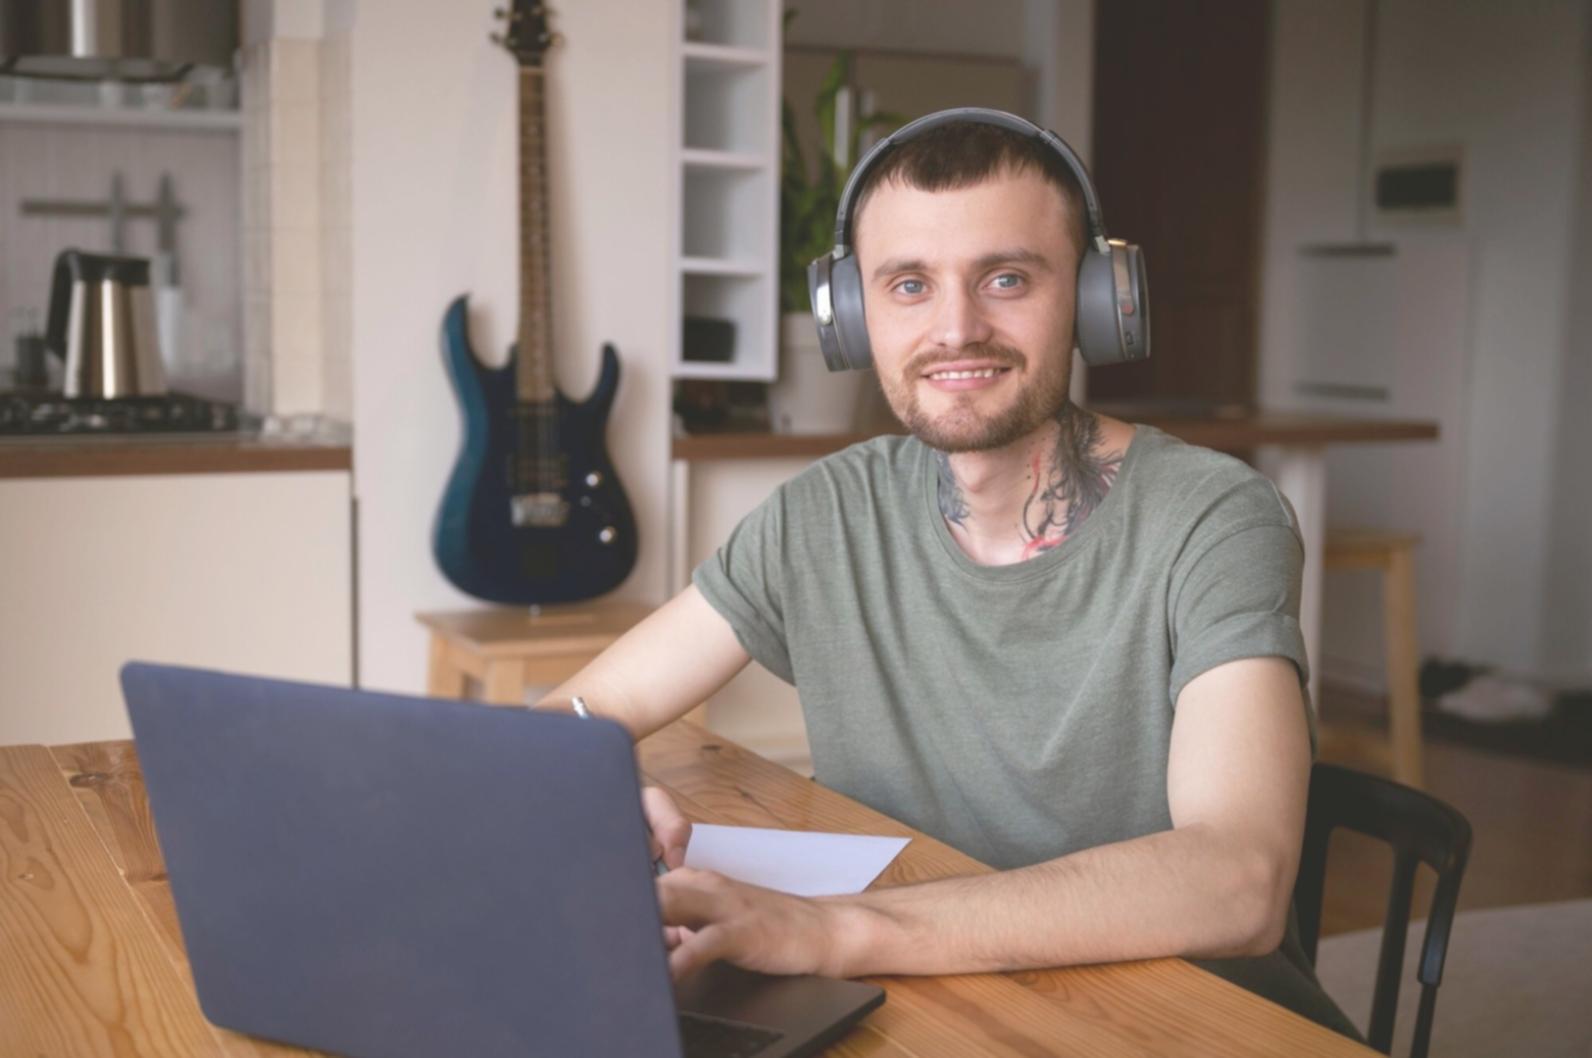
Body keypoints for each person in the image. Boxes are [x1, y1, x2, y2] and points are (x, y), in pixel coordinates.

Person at [539, 113, 1358, 1038]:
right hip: (931, 1006)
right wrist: (589, 783)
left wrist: (832, 931)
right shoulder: (826, 513)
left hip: (1182, 1023)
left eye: (1006, 279)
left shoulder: (1214, 517)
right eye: (909, 285)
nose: (957, 328)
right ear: (853, 316)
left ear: (1097, 301)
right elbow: (576, 714)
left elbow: (1239, 879)